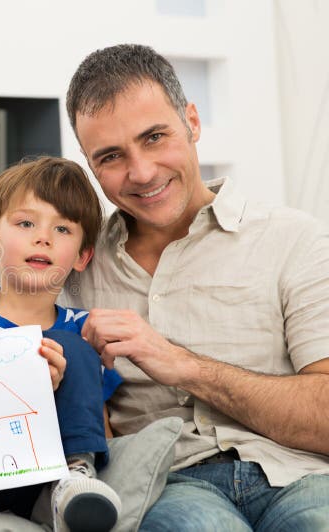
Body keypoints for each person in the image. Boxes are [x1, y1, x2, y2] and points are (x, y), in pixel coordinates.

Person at [62, 43, 329, 530]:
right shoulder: (74, 262)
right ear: (89, 163)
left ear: (193, 122)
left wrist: (183, 365)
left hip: (301, 476)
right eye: (111, 156)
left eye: (155, 137)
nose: (141, 173)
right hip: (167, 486)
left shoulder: (296, 240)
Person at [0, 157, 122, 532]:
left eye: (62, 229)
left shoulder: (84, 331)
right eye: (26, 223)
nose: (42, 237)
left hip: (42, 484)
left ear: (82, 256)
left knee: (69, 344)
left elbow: (103, 428)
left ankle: (76, 479)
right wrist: (23, 389)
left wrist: (57, 403)